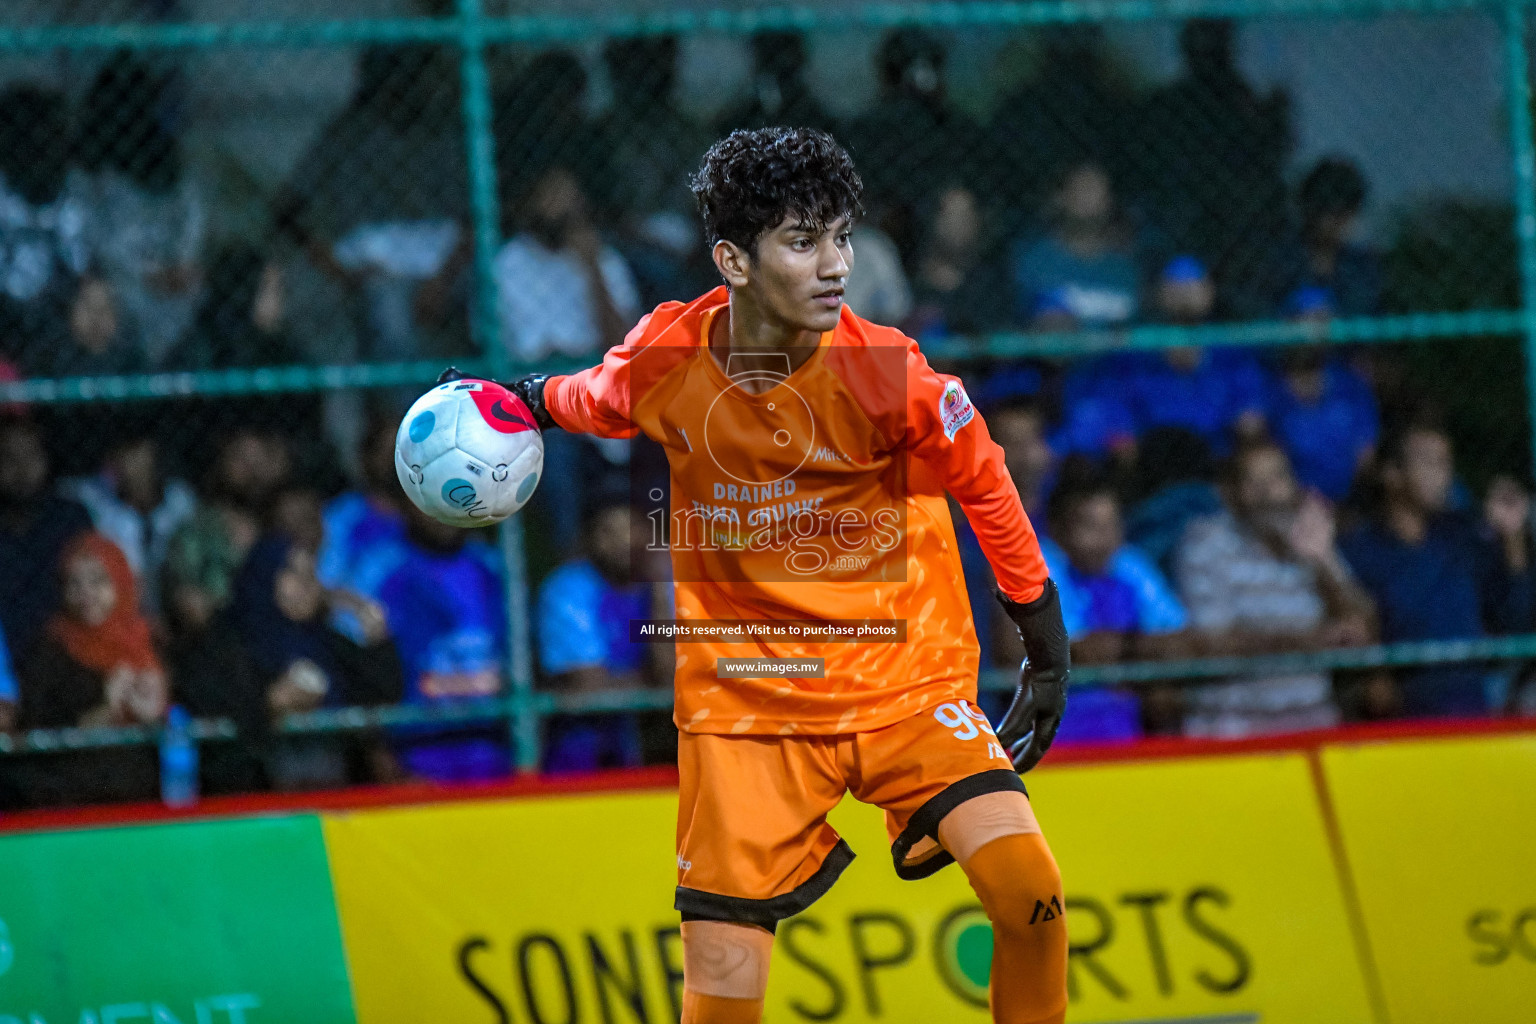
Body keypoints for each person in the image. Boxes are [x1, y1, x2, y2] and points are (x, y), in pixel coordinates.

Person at [443, 127, 1072, 1024]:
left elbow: (987, 481)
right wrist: (527, 401)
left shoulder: (886, 372)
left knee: (1031, 895)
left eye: (842, 237)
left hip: (903, 680)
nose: (836, 265)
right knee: (723, 1001)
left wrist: (1042, 642)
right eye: (804, 241)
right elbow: (598, 397)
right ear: (733, 259)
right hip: (746, 709)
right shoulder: (668, 355)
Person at [276, 43, 469, 362]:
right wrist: (336, 269)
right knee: (389, 316)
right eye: (393, 82)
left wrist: (441, 281)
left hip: (442, 261)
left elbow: (474, 220)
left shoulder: (441, 133)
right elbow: (287, 211)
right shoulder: (347, 135)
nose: (405, 91)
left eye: (412, 80)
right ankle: (415, 409)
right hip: (376, 265)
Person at [1175, 438, 1376, 737]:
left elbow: (1364, 628)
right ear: (1229, 493)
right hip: (1234, 730)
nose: (1269, 491)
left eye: (1278, 477)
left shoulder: (1308, 536)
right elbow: (1211, 642)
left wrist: (1326, 561)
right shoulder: (1205, 543)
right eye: (1253, 481)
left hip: (1311, 725)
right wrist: (1307, 642)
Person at [1339, 424, 1534, 717]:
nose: (1444, 475)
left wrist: (1513, 536)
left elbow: (1515, 618)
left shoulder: (1463, 537)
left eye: (1446, 463)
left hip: (1474, 713)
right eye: (1430, 462)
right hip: (1396, 722)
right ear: (1393, 474)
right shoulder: (1359, 551)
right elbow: (1351, 632)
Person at [230, 537, 403, 791]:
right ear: (264, 576)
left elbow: (384, 694)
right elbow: (213, 711)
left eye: (312, 574)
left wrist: (376, 638)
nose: (307, 584)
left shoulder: (329, 643)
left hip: (334, 802)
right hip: (258, 805)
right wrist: (268, 703)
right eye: (293, 573)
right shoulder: (233, 642)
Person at [1026, 474, 1190, 743]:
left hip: (1127, 727)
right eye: (1091, 527)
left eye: (1112, 525)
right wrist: (1142, 652)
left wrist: (1129, 650)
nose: (1105, 539)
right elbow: (1081, 649)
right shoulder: (1041, 565)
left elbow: (1178, 636)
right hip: (1059, 731)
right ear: (1058, 531)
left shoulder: (1128, 563)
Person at [354, 501, 509, 781]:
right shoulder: (379, 569)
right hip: (414, 759)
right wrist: (380, 758)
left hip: (494, 759)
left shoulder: (494, 567)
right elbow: (355, 669)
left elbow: (519, 661)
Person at [72, 54, 207, 365]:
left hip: (172, 285)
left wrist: (183, 262)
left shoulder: (168, 161)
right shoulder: (86, 170)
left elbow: (191, 219)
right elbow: (91, 239)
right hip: (119, 286)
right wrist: (147, 274)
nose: (127, 112)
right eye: (118, 102)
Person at [16, 533, 167, 806]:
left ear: (121, 583)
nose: (86, 593)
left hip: (142, 798)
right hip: (71, 802)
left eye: (98, 580)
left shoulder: (149, 642)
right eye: (75, 582)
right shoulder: (49, 650)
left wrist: (155, 714)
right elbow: (36, 738)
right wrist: (105, 709)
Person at [537, 497, 671, 773]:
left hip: (651, 753)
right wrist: (653, 681)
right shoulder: (569, 589)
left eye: (631, 527)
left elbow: (671, 676)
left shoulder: (662, 584)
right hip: (581, 758)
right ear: (588, 538)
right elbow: (590, 688)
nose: (622, 541)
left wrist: (659, 592)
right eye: (608, 531)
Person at [62, 426, 198, 616]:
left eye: (139, 454)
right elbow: (67, 490)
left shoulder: (180, 500)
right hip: (117, 607)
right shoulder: (93, 500)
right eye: (124, 456)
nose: (132, 465)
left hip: (173, 607)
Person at [0, 416, 95, 656]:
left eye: (31, 456)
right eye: (8, 458)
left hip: (67, 650)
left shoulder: (70, 518)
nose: (21, 469)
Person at [1011, 160, 1142, 329]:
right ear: (1061, 197)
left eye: (1097, 190)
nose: (1089, 198)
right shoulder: (1034, 261)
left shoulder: (1125, 268)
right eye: (1083, 188)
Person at [1264, 343, 1380, 502]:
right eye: (1295, 374)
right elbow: (1274, 458)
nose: (1303, 381)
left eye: (1311, 371)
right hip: (1298, 498)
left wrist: (1354, 499)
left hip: (1353, 496)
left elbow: (1366, 455)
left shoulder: (1351, 389)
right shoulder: (1275, 400)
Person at [903, 184, 1011, 340]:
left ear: (976, 221)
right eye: (950, 215)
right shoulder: (912, 279)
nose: (956, 224)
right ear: (934, 219)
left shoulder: (990, 281)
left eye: (964, 216)